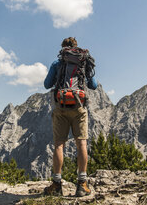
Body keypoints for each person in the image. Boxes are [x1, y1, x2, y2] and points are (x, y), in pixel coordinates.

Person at [43, 37, 97, 197]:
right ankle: (82, 185)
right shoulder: (83, 61)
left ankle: (57, 185)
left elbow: (47, 84)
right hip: (79, 107)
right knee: (81, 144)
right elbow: (93, 85)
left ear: (63, 48)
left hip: (60, 107)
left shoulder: (57, 63)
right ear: (76, 47)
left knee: (59, 145)